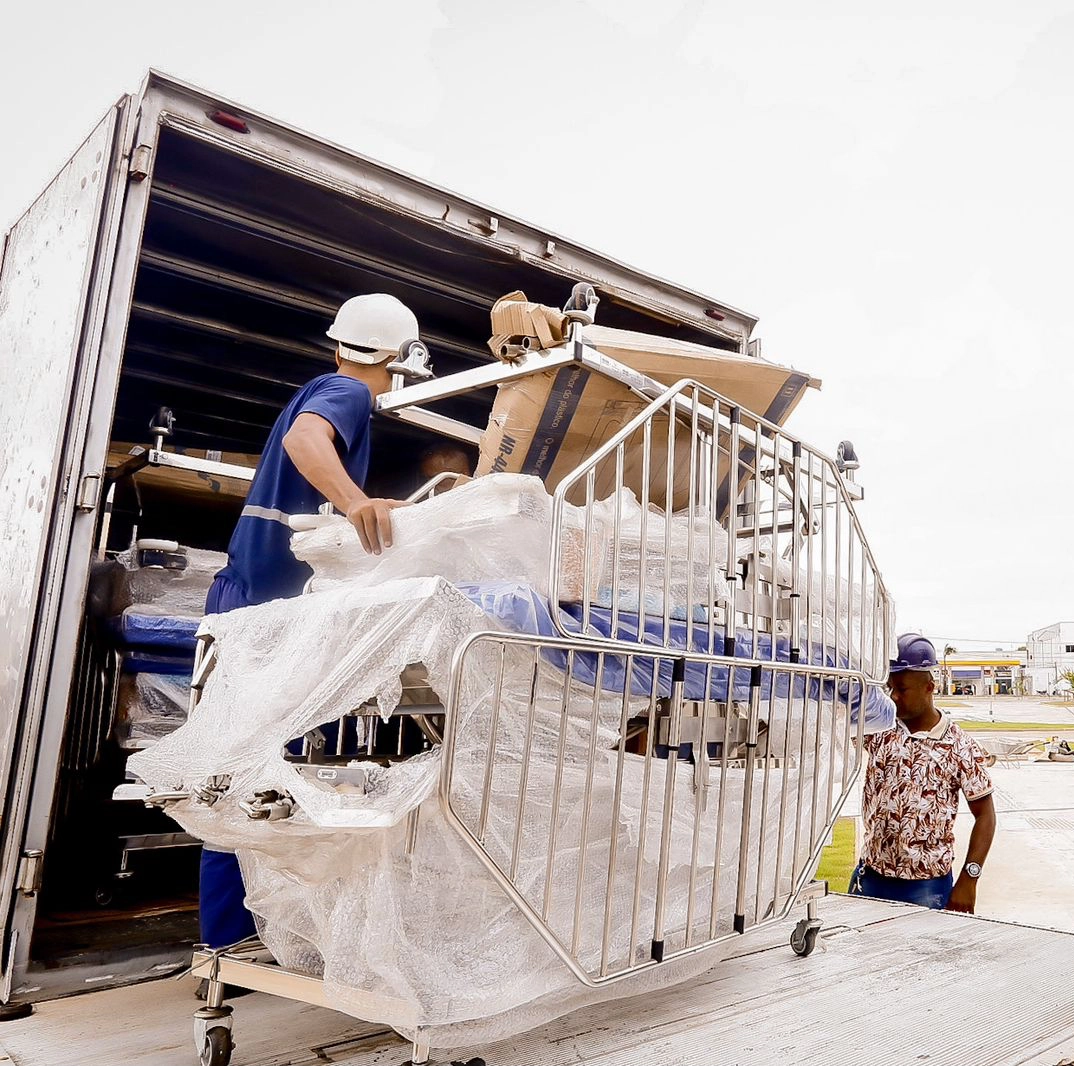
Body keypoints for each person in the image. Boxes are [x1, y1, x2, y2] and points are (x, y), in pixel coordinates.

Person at [198, 293, 420, 954]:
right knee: (247, 774)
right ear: (401, 359)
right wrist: (355, 503)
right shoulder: (344, 392)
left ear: (340, 341)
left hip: (259, 609)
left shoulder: (325, 384)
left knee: (247, 774)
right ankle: (233, 941)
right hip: (262, 615)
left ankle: (237, 937)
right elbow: (305, 440)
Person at [849, 632, 996, 912]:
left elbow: (986, 816)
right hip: (870, 878)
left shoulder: (959, 746)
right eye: (889, 688)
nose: (893, 697)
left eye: (901, 689)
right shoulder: (878, 730)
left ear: (929, 687)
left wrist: (969, 879)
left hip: (926, 888)